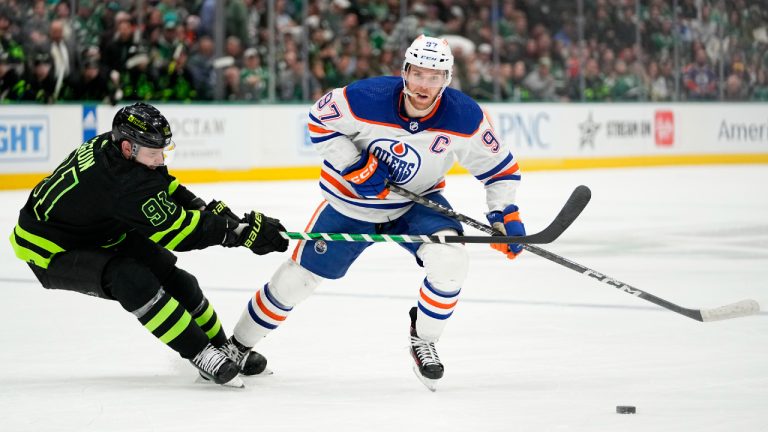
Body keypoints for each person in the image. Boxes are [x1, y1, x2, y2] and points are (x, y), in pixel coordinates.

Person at [228, 35, 525, 390]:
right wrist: (355, 165)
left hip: (416, 203)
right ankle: (236, 347)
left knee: (451, 261)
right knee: (297, 280)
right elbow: (319, 119)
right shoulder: (366, 97)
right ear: (405, 71)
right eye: (418, 74)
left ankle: (424, 340)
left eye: (434, 77)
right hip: (350, 204)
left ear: (446, 79)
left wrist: (503, 213)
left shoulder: (465, 116)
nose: (424, 85)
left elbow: (499, 170)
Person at [9, 102, 288, 387]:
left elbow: (162, 185)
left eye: (162, 151)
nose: (160, 158)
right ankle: (201, 354)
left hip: (97, 229)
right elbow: (178, 232)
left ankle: (222, 349)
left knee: (179, 281)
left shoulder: (118, 148)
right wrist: (238, 234)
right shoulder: (120, 181)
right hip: (50, 248)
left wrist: (203, 208)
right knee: (132, 280)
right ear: (128, 147)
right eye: (153, 153)